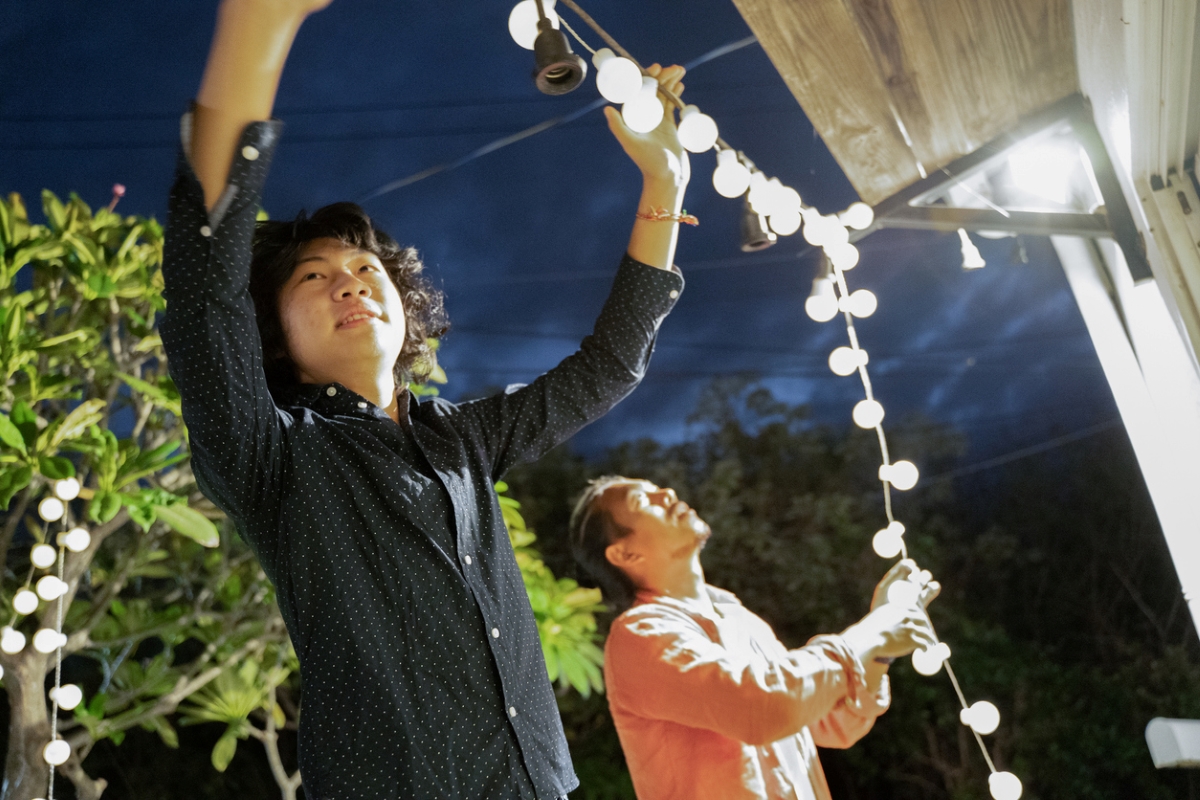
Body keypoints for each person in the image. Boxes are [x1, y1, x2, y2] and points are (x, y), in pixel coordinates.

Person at [159, 1, 696, 797]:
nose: (350, 279)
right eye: (314, 277)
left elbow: (610, 364)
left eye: (367, 269)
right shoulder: (271, 456)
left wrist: (666, 181)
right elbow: (205, 291)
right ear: (274, 340)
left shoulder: (465, 439)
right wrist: (260, 25)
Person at [569, 477, 940, 800]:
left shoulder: (741, 620)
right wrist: (872, 632)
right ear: (624, 552)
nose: (666, 492)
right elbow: (763, 706)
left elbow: (830, 724)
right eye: (642, 500)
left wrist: (879, 654)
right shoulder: (639, 634)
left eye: (657, 488)